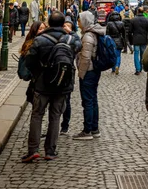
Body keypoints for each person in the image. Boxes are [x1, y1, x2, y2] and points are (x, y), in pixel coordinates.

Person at [23, 11, 81, 162]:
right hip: (62, 83)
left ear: (48, 23)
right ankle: (50, 150)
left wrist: (39, 73)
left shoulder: (40, 39)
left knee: (37, 115)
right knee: (55, 117)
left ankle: (33, 150)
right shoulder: (70, 39)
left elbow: (29, 61)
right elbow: (79, 45)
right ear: (63, 24)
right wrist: (72, 32)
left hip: (42, 84)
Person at [73, 10, 104, 140]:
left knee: (88, 101)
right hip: (94, 71)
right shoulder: (93, 32)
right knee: (93, 99)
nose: (78, 22)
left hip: (89, 71)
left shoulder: (87, 36)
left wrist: (81, 73)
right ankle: (95, 128)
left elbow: (85, 58)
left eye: (79, 20)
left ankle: (87, 131)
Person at [19, 21, 46, 104]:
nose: (43, 31)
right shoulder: (31, 43)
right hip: (35, 80)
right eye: (40, 29)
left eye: (44, 29)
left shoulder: (45, 41)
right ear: (34, 30)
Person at [130, 7, 148, 75]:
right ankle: (141, 67)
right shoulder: (147, 20)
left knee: (136, 54)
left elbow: (130, 31)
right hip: (144, 39)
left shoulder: (133, 20)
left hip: (136, 39)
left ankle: (137, 69)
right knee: (142, 54)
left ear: (137, 12)